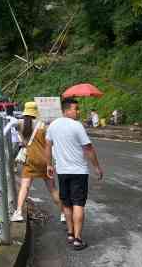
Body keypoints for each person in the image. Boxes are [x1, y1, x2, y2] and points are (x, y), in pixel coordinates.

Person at [45, 98, 104, 251]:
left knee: (66, 203)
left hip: (62, 172)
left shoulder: (53, 125)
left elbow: (48, 145)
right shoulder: (77, 126)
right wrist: (97, 167)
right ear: (66, 110)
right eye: (75, 109)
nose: (78, 111)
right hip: (78, 172)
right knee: (78, 203)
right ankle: (77, 239)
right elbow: (88, 148)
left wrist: (49, 164)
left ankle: (70, 233)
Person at [7, 102, 64, 223]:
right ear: (36, 112)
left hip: (30, 160)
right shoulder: (43, 126)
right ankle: (64, 213)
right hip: (44, 161)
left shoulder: (21, 124)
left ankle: (18, 212)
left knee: (24, 187)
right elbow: (51, 143)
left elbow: (12, 124)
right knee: (52, 189)